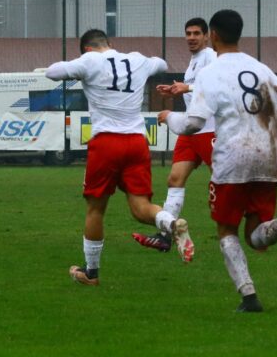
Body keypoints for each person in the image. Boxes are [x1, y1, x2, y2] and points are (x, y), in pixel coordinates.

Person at [159, 9, 277, 312]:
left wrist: (168, 116)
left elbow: (193, 123)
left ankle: (249, 297)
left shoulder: (210, 73)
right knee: (256, 234)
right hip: (271, 157)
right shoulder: (262, 69)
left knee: (227, 230)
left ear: (214, 35)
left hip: (233, 160)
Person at [45, 29, 194, 285]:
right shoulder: (136, 60)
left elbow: (52, 72)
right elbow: (161, 64)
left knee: (95, 209)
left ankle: (91, 272)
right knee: (140, 209)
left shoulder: (90, 60)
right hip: (136, 142)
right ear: (110, 43)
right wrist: (146, 64)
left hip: (106, 143)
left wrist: (79, 67)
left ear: (88, 49)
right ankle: (171, 223)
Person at [132, 18, 216, 252]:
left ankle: (264, 222)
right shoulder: (193, 62)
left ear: (207, 36)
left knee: (227, 183)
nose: (191, 37)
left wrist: (186, 88)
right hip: (191, 130)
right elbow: (196, 89)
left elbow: (217, 86)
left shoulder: (211, 56)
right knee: (175, 179)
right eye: (188, 33)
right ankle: (165, 236)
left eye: (197, 33)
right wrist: (176, 89)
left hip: (210, 129)